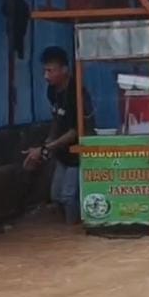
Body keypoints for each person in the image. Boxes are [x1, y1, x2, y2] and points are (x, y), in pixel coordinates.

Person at [24, 46, 94, 224]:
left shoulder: (77, 93)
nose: (46, 76)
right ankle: (71, 230)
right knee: (55, 195)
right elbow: (56, 119)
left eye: (50, 70)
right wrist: (45, 148)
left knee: (67, 196)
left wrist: (46, 148)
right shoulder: (52, 91)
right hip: (63, 153)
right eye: (44, 71)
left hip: (79, 153)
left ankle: (74, 236)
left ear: (64, 70)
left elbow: (75, 131)